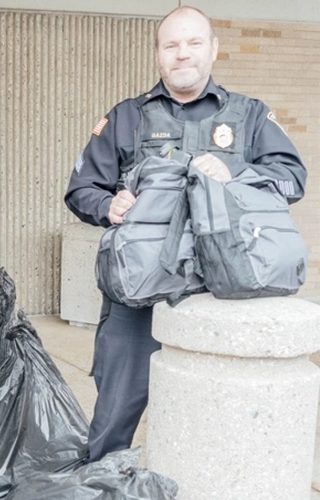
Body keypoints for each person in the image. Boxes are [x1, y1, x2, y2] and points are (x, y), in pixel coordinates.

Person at [64, 7, 307, 463]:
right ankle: (103, 483)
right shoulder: (126, 117)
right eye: (171, 45)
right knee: (113, 415)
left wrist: (235, 170)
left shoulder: (250, 116)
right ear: (158, 54)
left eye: (194, 43)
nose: (182, 54)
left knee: (222, 425)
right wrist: (108, 205)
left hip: (228, 288)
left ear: (213, 49)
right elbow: (81, 190)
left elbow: (291, 178)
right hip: (139, 291)